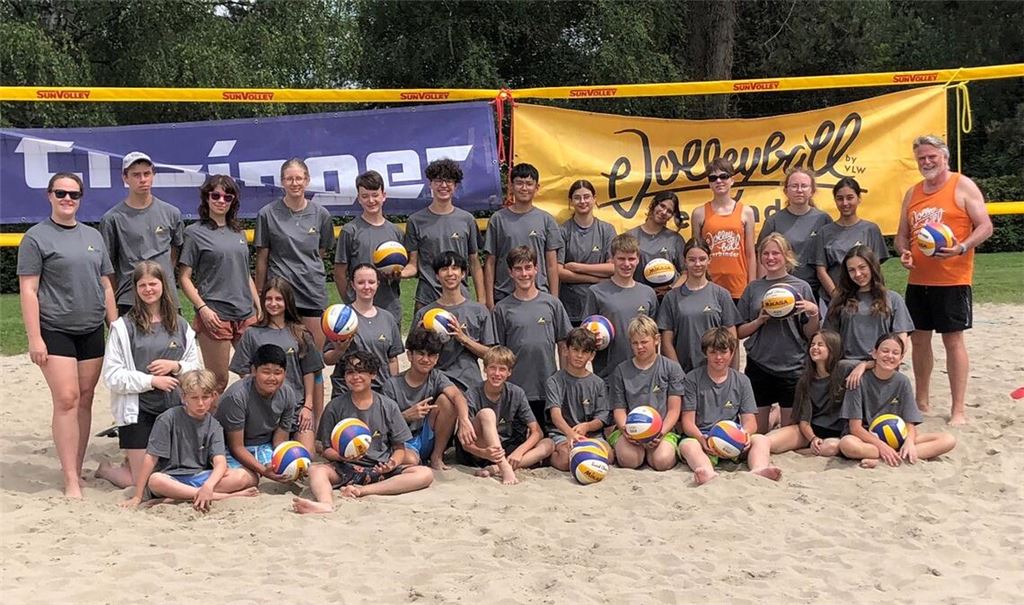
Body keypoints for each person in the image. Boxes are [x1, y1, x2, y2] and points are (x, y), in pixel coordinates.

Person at [18, 173, 117, 497]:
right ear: (49, 195)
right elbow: (29, 290)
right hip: (55, 328)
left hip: (91, 328)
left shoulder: (93, 236)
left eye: (73, 194)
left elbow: (105, 285)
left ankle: (76, 465)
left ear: (80, 198)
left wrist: (115, 327)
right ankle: (70, 478)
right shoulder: (36, 238)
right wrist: (35, 338)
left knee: (85, 398)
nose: (67, 199)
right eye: (61, 193)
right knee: (67, 399)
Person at [895, 134, 993, 425]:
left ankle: (958, 410)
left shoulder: (961, 184)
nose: (926, 162)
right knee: (920, 340)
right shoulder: (913, 193)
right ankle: (921, 401)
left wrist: (961, 247)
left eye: (931, 157)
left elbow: (986, 226)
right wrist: (903, 252)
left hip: (953, 279)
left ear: (944, 158)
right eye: (922, 158)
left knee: (953, 341)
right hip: (919, 280)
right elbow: (902, 236)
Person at [97, 261, 200, 489]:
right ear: (135, 289)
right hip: (138, 412)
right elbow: (113, 376)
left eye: (153, 283)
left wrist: (175, 366)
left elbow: (195, 367)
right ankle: (107, 470)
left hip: (173, 411)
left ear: (163, 285)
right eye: (142, 285)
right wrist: (151, 381)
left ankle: (132, 460)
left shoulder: (181, 325)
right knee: (142, 484)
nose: (148, 289)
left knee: (174, 476)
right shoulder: (123, 328)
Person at [293, 351, 433, 513]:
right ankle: (326, 504)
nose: (355, 377)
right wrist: (341, 456)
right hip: (347, 468)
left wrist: (391, 464)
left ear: (373, 374)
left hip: (379, 467)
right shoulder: (335, 406)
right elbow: (324, 449)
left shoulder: (388, 406)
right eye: (350, 372)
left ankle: (363, 491)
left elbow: (399, 448)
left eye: (361, 371)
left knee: (425, 474)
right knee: (315, 470)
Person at [120, 370, 258, 511]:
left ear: (213, 397)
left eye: (205, 397)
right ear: (184, 397)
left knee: (246, 477)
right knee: (156, 480)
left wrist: (208, 486)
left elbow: (220, 462)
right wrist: (138, 495)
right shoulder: (168, 419)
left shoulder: (214, 425)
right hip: (172, 477)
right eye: (194, 398)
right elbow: (151, 458)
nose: (200, 404)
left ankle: (181, 496)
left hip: (200, 476)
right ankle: (221, 496)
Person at [179, 174, 260, 394]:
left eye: (227, 196)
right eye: (215, 195)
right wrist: (202, 308)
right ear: (206, 197)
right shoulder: (194, 233)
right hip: (216, 314)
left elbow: (245, 272)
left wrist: (258, 305)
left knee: (256, 375)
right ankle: (212, 428)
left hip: (245, 313)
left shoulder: (239, 232)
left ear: (233, 200)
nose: (221, 200)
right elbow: (184, 276)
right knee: (218, 382)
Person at [737, 233, 820, 433]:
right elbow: (739, 332)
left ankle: (776, 416)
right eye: (765, 253)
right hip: (759, 364)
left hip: (792, 365)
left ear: (786, 256)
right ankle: (771, 416)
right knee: (758, 432)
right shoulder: (753, 288)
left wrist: (813, 311)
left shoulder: (801, 287)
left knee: (788, 431)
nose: (770, 258)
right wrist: (759, 320)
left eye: (776, 253)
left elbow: (811, 333)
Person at [229, 278, 324, 452]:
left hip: (296, 409)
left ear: (287, 301)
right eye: (269, 299)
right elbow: (243, 370)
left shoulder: (300, 332)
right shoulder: (252, 333)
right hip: (264, 412)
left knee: (304, 458)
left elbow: (310, 371)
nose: (273, 303)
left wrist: (307, 407)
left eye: (278, 299)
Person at [678, 327, 782, 484]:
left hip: (733, 440)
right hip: (704, 438)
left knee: (761, 439)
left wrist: (745, 435)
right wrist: (701, 438)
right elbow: (687, 422)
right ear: (705, 353)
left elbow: (750, 421)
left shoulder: (742, 381)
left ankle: (758, 469)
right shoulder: (692, 379)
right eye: (713, 352)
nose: (718, 357)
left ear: (732, 352)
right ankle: (707, 472)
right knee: (688, 445)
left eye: (723, 352)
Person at [838, 333, 957, 467]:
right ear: (874, 353)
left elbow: (910, 422)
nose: (889, 356)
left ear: (901, 359)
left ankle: (885, 459)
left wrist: (909, 442)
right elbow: (855, 428)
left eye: (895, 353)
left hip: (899, 437)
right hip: (869, 440)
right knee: (847, 444)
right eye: (885, 351)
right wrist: (882, 447)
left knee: (948, 440)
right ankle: (894, 456)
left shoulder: (902, 381)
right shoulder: (858, 380)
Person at [254, 158, 335, 353]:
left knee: (314, 358)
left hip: (312, 292)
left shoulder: (321, 214)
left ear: (307, 180)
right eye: (289, 179)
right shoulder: (267, 214)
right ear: (282, 182)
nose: (294, 183)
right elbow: (262, 259)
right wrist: (258, 296)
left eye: (299, 178)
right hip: (280, 294)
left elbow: (321, 252)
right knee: (280, 356)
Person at [492, 246, 572, 433]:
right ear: (510, 272)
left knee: (549, 439)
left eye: (528, 267)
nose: (524, 273)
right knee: (521, 439)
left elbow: (563, 344)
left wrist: (565, 377)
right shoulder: (502, 309)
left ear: (536, 269)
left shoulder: (552, 303)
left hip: (548, 388)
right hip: (516, 390)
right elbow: (499, 354)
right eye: (518, 269)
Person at [100, 151, 184, 316]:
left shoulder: (172, 213)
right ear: (125, 178)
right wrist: (113, 306)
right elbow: (107, 267)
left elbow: (175, 250)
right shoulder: (112, 219)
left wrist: (161, 275)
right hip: (130, 300)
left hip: (167, 298)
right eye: (136, 175)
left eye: (147, 173)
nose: (143, 179)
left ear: (153, 174)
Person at [456, 347, 550, 485]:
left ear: (509, 372)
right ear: (485, 369)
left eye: (502, 369)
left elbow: (537, 432)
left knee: (548, 444)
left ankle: (496, 468)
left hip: (505, 447)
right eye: (492, 368)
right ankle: (505, 468)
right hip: (478, 450)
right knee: (487, 413)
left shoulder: (516, 393)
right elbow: (465, 440)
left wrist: (519, 452)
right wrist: (484, 453)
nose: (497, 374)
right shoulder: (473, 393)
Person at [382, 328, 470, 470]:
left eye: (431, 355)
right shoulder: (391, 385)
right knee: (412, 460)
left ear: (436, 359)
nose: (425, 359)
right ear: (410, 355)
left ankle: (437, 456)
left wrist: (464, 420)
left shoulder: (435, 376)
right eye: (421, 354)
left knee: (447, 401)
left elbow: (457, 395)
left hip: (426, 436)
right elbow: (383, 425)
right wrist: (406, 416)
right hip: (402, 441)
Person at [404, 159, 485, 312]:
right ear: (430, 184)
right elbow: (413, 265)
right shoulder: (415, 220)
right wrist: (396, 273)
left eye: (448, 181)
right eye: (438, 180)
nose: (443, 185)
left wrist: (482, 300)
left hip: (460, 298)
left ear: (455, 186)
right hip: (427, 299)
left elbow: (474, 263)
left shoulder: (466, 219)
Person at [334, 170, 412, 325]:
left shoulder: (395, 231)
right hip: (359, 311)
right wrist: (350, 302)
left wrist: (399, 274)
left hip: (390, 308)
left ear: (384, 196)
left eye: (375, 195)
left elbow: (408, 266)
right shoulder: (350, 231)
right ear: (359, 199)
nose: (371, 200)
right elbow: (339, 272)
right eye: (365, 196)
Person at [608, 315, 685, 471]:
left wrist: (661, 433)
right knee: (630, 460)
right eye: (635, 343)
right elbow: (619, 409)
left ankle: (658, 450)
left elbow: (674, 409)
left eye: (644, 342)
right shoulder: (621, 371)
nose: (640, 347)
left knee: (661, 461)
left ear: (656, 339)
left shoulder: (671, 368)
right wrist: (626, 430)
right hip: (631, 430)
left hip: (662, 429)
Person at [412, 251, 496, 390]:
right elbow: (413, 356)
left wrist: (463, 338)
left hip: (469, 384)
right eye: (444, 269)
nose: (450, 273)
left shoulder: (478, 311)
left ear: (463, 274)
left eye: (455, 268)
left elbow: (491, 355)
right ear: (437, 276)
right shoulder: (425, 314)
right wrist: (421, 338)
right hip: (435, 384)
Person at [482, 163, 562, 309]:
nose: (524, 188)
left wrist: (554, 299)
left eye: (529, 184)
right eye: (519, 183)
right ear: (511, 187)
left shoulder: (546, 220)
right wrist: (489, 301)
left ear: (537, 188)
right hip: (504, 296)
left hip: (539, 295)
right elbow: (490, 262)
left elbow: (551, 264)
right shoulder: (498, 219)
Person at [216, 344, 296, 487]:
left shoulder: (288, 393)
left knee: (288, 470)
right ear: (253, 371)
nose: (272, 378)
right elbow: (236, 446)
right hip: (231, 447)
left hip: (264, 445)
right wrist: (264, 471)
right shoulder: (237, 396)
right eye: (266, 372)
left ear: (285, 373)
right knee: (248, 479)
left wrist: (286, 461)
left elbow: (280, 441)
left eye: (278, 373)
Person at [657, 238, 740, 373]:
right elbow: (666, 343)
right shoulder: (671, 298)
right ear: (685, 261)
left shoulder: (721, 295)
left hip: (715, 373)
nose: (697, 264)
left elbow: (732, 339)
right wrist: (678, 374)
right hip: (685, 374)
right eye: (692, 259)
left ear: (709, 260)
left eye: (702, 259)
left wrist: (729, 373)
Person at [582, 234, 658, 381]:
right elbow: (586, 335)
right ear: (612, 260)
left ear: (638, 259)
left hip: (643, 375)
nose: (627, 264)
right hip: (608, 376)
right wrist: (593, 338)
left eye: (631, 259)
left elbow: (654, 338)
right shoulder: (596, 292)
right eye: (621, 258)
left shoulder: (648, 293)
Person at [767, 330, 854, 457]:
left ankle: (802, 451)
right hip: (811, 430)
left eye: (820, 345)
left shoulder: (844, 368)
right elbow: (804, 422)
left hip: (837, 434)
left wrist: (862, 367)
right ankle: (776, 416)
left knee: (831, 448)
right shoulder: (805, 379)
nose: (815, 348)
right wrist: (813, 438)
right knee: (768, 441)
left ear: (832, 348)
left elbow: (874, 364)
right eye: (812, 344)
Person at [323, 264, 403, 398]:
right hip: (347, 393)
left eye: (371, 282)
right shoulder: (340, 318)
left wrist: (393, 389)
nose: (367, 287)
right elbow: (327, 360)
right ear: (352, 285)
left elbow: (392, 360)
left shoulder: (388, 318)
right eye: (361, 282)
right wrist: (339, 350)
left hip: (380, 393)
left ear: (378, 284)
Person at [825, 246, 914, 362]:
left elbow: (901, 341)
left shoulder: (893, 299)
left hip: (883, 366)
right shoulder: (839, 300)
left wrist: (873, 364)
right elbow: (829, 339)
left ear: (872, 267)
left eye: (862, 267)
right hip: (848, 366)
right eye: (851, 270)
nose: (857, 274)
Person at [756, 167, 832, 300]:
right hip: (781, 290)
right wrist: (762, 290)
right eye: (794, 186)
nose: (799, 190)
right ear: (786, 190)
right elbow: (762, 257)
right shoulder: (773, 221)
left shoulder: (823, 219)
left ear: (812, 191)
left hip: (817, 292)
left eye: (804, 186)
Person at [543, 328, 612, 472]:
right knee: (566, 461)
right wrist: (571, 434)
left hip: (591, 434)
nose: (579, 355)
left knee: (608, 456)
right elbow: (555, 416)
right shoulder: (554, 381)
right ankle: (547, 456)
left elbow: (602, 417)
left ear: (592, 355)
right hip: (562, 433)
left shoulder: (598, 383)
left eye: (585, 352)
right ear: (566, 350)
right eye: (575, 350)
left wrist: (587, 426)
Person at [814, 177, 888, 306]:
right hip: (832, 300)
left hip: (866, 300)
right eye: (840, 198)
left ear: (859, 198)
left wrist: (874, 297)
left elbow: (876, 268)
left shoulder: (871, 229)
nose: (845, 203)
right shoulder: (824, 232)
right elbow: (821, 270)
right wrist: (837, 297)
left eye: (850, 197)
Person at [690, 158, 756, 302]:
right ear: (709, 183)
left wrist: (752, 286)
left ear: (732, 180)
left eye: (724, 176)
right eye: (713, 178)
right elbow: (695, 253)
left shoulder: (746, 212)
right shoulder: (699, 213)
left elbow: (750, 254)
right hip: (709, 284)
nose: (719, 181)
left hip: (739, 287)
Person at [557, 179, 617, 324]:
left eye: (586, 197)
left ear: (594, 199)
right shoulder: (562, 231)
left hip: (602, 303)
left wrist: (578, 267)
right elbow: (559, 272)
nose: (582, 201)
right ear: (571, 201)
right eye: (577, 198)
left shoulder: (607, 230)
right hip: (572, 308)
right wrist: (596, 279)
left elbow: (613, 267)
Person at [625, 191, 687, 299]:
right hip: (638, 298)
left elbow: (686, 273)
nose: (663, 212)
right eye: (662, 206)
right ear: (653, 204)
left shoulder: (675, 239)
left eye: (669, 211)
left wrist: (671, 290)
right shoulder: (631, 236)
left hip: (667, 301)